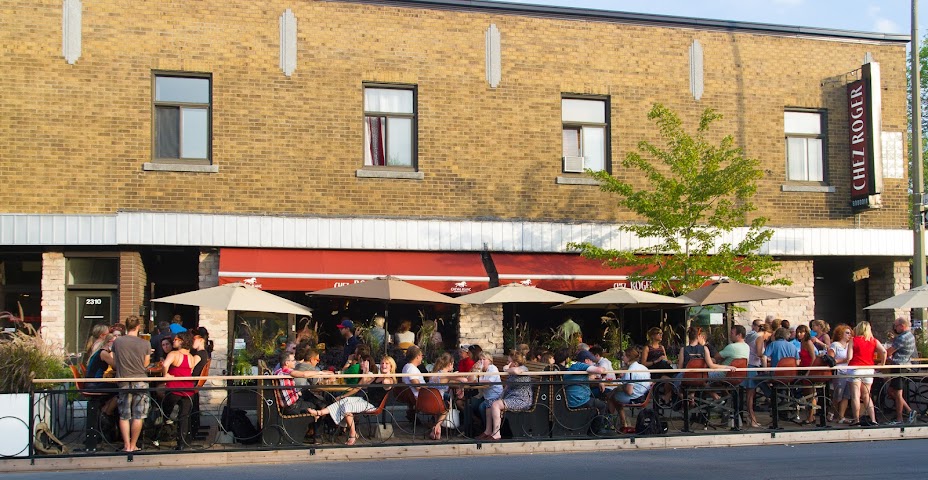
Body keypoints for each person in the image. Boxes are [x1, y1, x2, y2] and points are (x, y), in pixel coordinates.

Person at [308, 355, 397, 445]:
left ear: (391, 366)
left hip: (373, 405)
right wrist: (365, 372)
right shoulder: (377, 376)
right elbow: (363, 385)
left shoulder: (388, 380)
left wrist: (387, 376)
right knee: (344, 400)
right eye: (382, 363)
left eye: (387, 364)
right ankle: (319, 413)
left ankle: (352, 434)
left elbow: (388, 385)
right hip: (364, 400)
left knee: (347, 407)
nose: (384, 365)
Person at [111, 315, 151, 453]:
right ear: (138, 326)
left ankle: (126, 445)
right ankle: (134, 445)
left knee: (124, 415)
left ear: (126, 326)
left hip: (123, 380)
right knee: (138, 415)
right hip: (140, 380)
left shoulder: (118, 342)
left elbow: (115, 361)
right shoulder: (145, 343)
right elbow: (146, 363)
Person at [479, 352, 533, 441]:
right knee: (489, 403)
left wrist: (506, 369)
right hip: (511, 398)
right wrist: (500, 397)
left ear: (515, 363)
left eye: (508, 361)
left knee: (496, 405)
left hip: (522, 400)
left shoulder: (523, 368)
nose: (507, 363)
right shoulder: (511, 372)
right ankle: (488, 431)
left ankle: (496, 434)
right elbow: (506, 388)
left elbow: (516, 371)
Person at [161, 332, 197, 450]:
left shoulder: (173, 354)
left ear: (181, 341)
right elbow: (190, 371)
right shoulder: (191, 357)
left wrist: (166, 375)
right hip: (188, 390)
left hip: (174, 388)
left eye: (176, 339)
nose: (173, 341)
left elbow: (165, 365)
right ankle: (181, 443)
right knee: (184, 416)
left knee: (164, 408)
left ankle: (166, 424)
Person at [846, 321, 886, 427]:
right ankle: (873, 419)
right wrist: (882, 363)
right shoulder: (873, 340)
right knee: (867, 395)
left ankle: (856, 419)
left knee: (855, 395)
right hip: (868, 369)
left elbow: (849, 357)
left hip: (855, 369)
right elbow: (884, 351)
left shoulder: (853, 340)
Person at [609, 346, 652, 432]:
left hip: (635, 397)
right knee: (614, 393)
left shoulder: (631, 370)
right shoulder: (643, 367)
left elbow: (629, 391)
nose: (622, 357)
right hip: (644, 395)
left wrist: (621, 386)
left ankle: (614, 423)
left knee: (611, 397)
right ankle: (623, 422)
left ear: (628, 357)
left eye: (624, 356)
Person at [886, 317, 917, 425]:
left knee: (897, 393)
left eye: (896, 326)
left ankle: (899, 419)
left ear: (902, 326)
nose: (895, 328)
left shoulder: (902, 337)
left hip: (899, 366)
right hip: (906, 365)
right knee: (891, 391)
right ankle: (909, 411)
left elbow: (889, 352)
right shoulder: (910, 336)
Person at [564, 350, 607, 419]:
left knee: (596, 400)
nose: (593, 363)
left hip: (572, 399)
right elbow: (600, 370)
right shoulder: (581, 365)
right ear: (586, 360)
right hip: (578, 400)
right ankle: (597, 426)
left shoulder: (575, 367)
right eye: (592, 361)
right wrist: (604, 368)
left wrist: (599, 381)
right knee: (602, 405)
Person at [744, 323, 772, 428]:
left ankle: (750, 416)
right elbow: (759, 353)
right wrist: (767, 358)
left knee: (750, 394)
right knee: (750, 394)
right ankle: (752, 418)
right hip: (752, 366)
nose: (767, 338)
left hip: (748, 364)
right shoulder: (759, 338)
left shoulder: (751, 335)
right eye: (768, 335)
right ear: (765, 332)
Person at [829, 324, 854, 423]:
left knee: (846, 396)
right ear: (841, 334)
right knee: (838, 394)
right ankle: (831, 412)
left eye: (850, 333)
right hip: (839, 372)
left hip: (849, 372)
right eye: (847, 333)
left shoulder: (849, 345)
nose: (849, 335)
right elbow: (831, 359)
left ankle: (841, 416)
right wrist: (844, 360)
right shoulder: (835, 345)